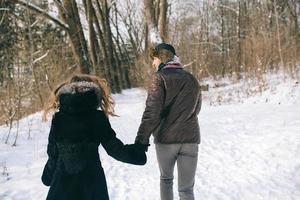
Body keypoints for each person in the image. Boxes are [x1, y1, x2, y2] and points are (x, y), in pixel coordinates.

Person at [41, 74, 148, 200]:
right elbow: (115, 150)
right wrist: (138, 153)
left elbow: (53, 154)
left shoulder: (58, 119)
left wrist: (47, 177)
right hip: (91, 185)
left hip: (62, 186)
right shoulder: (97, 117)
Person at [135, 43, 201, 200]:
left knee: (166, 180)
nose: (153, 63)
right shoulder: (191, 79)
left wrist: (141, 140)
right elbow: (196, 109)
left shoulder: (159, 78)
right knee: (186, 190)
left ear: (162, 58)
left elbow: (152, 112)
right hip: (190, 140)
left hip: (166, 140)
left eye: (154, 59)